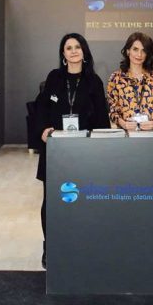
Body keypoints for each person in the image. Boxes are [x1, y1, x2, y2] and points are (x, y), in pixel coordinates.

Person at [36, 33, 108, 268]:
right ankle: (50, 246)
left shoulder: (94, 81)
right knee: (52, 201)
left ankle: (79, 244)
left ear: (84, 51)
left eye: (78, 47)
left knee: (81, 200)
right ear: (63, 54)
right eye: (69, 47)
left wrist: (99, 146)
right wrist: (43, 129)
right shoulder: (54, 77)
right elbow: (41, 108)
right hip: (56, 149)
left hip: (84, 151)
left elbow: (102, 118)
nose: (74, 51)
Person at [107, 32, 153, 131]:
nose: (139, 55)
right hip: (126, 134)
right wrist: (123, 124)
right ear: (128, 51)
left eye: (143, 51)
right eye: (135, 49)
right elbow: (113, 109)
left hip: (152, 134)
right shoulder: (116, 78)